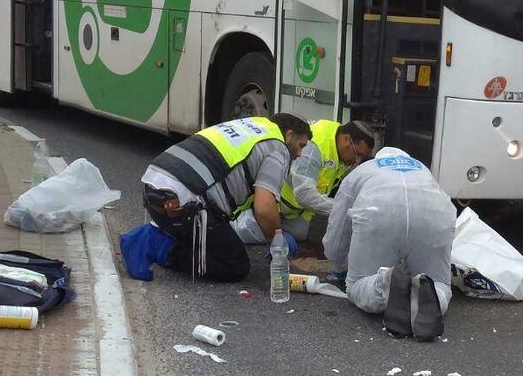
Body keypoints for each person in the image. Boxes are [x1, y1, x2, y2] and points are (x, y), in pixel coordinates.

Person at [140, 112, 311, 282]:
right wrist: (277, 239)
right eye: (301, 145)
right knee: (235, 265)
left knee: (219, 240)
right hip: (183, 206)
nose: (300, 154)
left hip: (154, 188)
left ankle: (160, 233)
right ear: (289, 136)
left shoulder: (254, 126)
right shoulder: (278, 148)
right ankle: (162, 247)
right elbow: (264, 207)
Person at [324, 146, 457, 341]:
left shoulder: (362, 170)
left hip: (378, 209)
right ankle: (429, 292)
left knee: (356, 285)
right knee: (439, 282)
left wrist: (338, 261)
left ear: (378, 158)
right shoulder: (422, 169)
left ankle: (384, 282)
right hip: (435, 213)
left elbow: (338, 231)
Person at [278, 120, 376, 242]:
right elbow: (304, 195)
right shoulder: (314, 147)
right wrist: (344, 209)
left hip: (298, 209)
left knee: (300, 233)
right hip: (275, 201)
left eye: (362, 157)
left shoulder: (339, 148)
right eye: (357, 153)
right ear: (346, 139)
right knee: (261, 229)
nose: (357, 160)